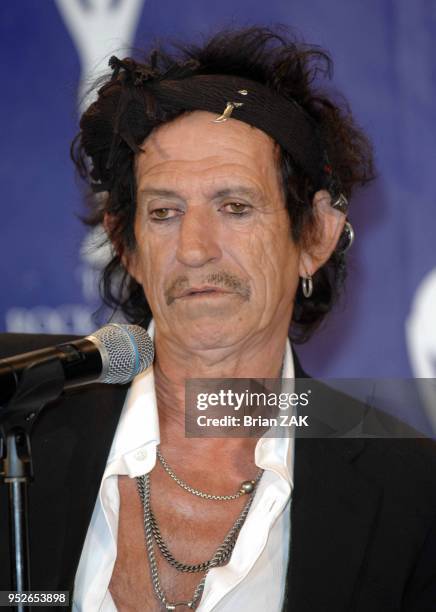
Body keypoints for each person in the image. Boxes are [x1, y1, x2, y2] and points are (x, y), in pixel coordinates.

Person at [1, 26, 436, 612]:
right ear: (125, 244)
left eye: (235, 207)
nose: (196, 248)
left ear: (315, 236)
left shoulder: (412, 487)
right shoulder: (22, 420)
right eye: (163, 212)